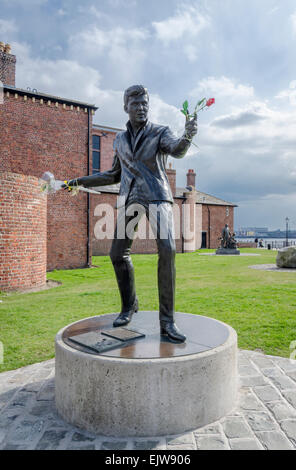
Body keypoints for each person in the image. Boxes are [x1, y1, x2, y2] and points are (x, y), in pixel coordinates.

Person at [66, 85, 197, 342]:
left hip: (157, 197)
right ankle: (129, 306)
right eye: (136, 104)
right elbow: (113, 175)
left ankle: (167, 321)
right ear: (126, 107)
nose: (141, 108)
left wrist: (188, 136)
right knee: (117, 253)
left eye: (145, 104)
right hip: (129, 198)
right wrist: (79, 181)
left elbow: (177, 150)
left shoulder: (160, 132)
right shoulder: (119, 140)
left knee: (168, 249)